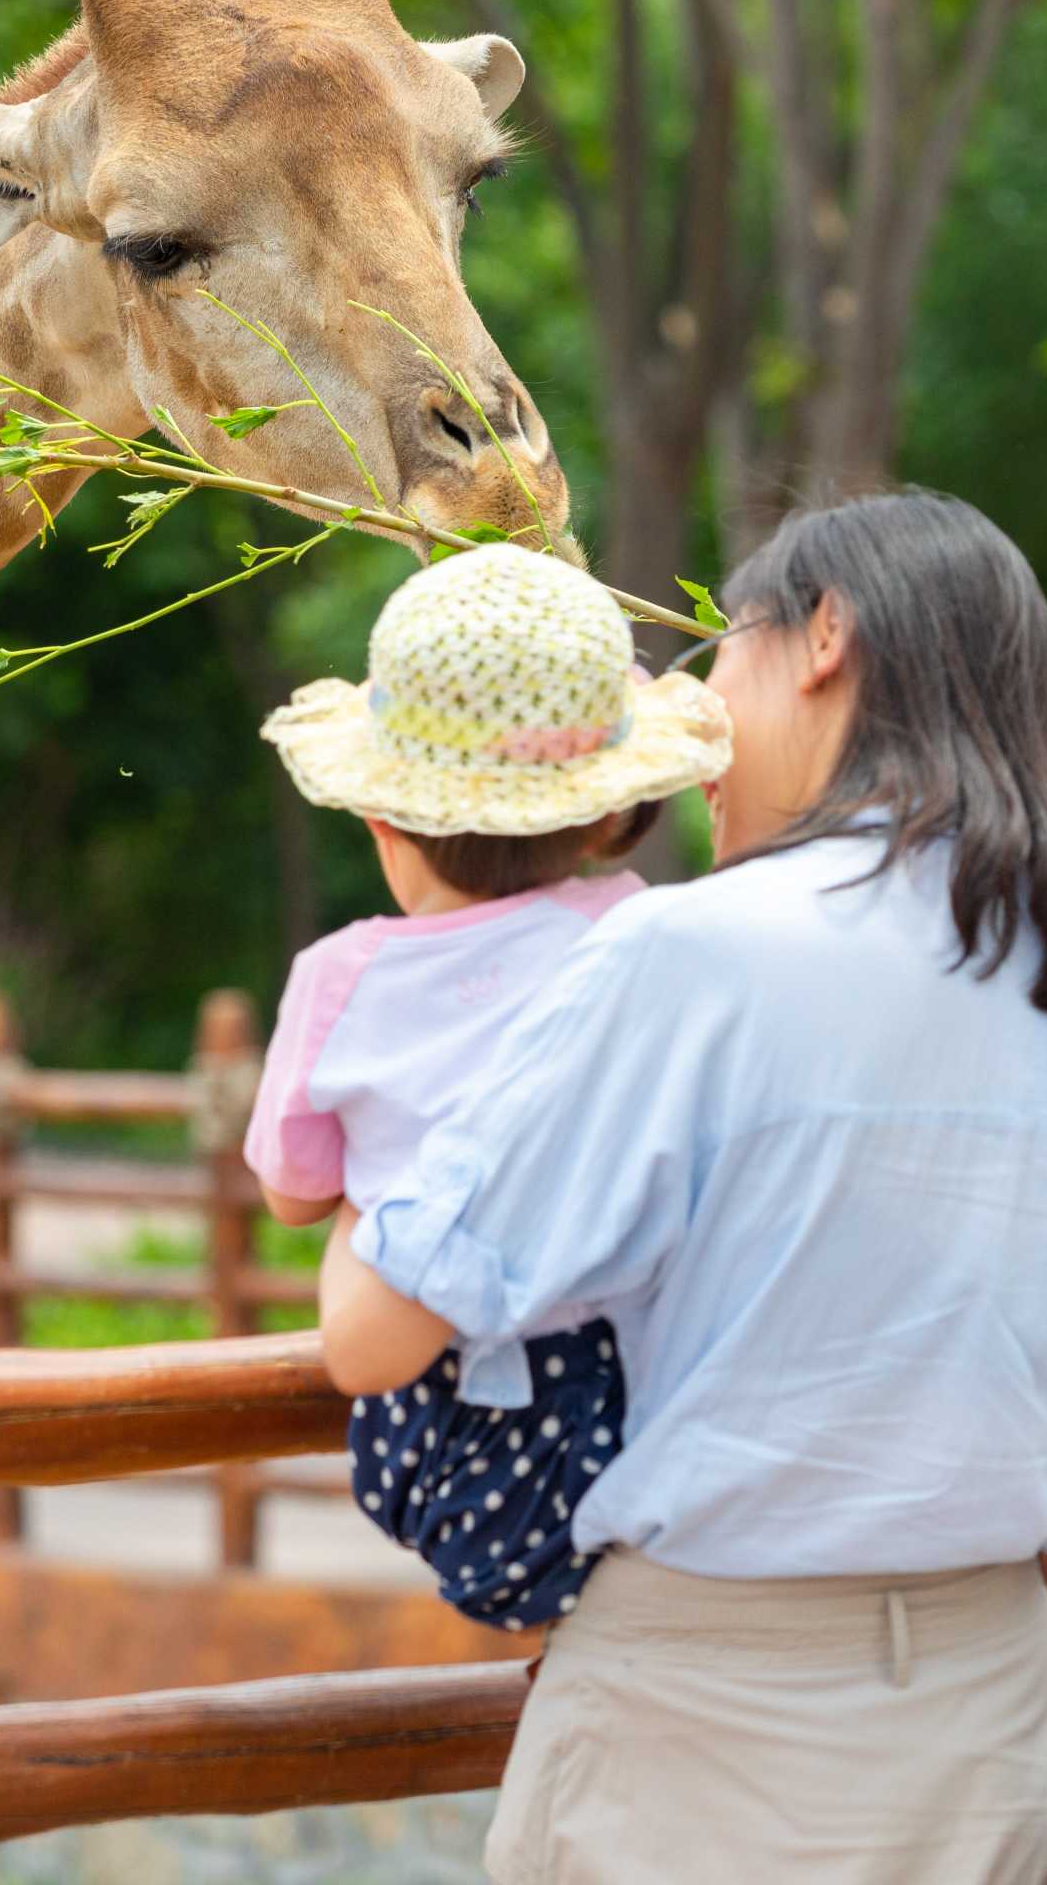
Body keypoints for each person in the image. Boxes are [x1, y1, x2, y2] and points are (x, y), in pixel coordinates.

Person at [318, 491, 1047, 1885]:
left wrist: (374, 1131)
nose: (701, 707)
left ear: (825, 634)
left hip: (715, 1715)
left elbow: (374, 1331)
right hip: (990, 1693)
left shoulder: (694, 952)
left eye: (727, 644)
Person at [246, 542, 730, 1631]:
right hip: (647, 1388)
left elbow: (290, 1191)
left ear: (382, 819)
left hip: (439, 1411)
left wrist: (366, 1203)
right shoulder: (635, 936)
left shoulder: (341, 978)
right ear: (607, 812)